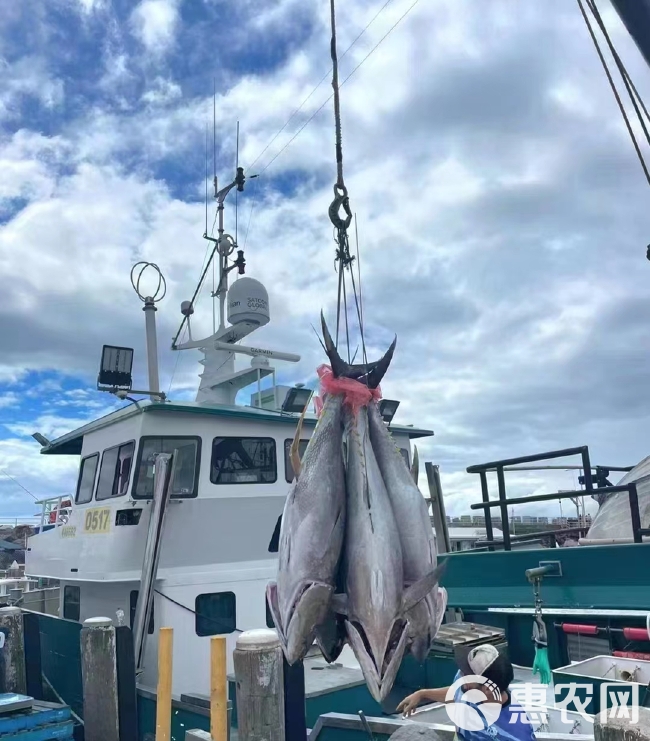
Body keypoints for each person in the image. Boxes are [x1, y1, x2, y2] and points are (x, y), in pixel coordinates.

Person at [397, 643, 536, 741]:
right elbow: (455, 693)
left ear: (487, 690)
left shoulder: (516, 734)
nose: (461, 676)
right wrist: (422, 694)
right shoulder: (468, 686)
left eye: (468, 674)